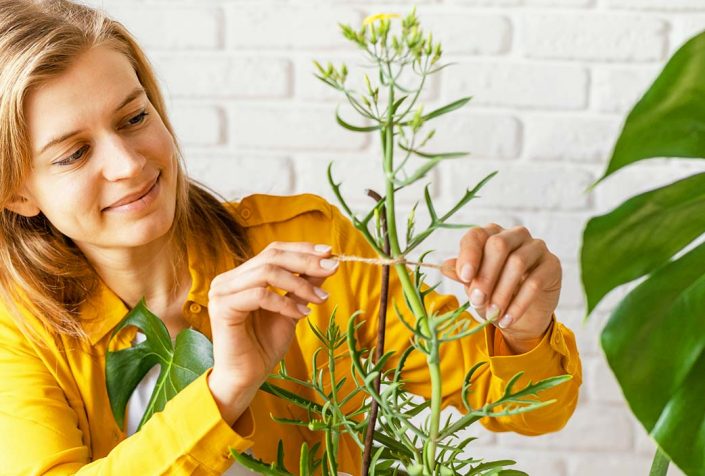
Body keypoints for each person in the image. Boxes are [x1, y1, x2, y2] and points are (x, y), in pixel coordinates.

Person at [0, 0, 582, 474]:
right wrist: (226, 390)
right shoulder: (16, 330)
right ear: (16, 192)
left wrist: (524, 326)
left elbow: (534, 408)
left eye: (134, 118)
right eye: (74, 153)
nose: (128, 163)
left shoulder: (307, 247)